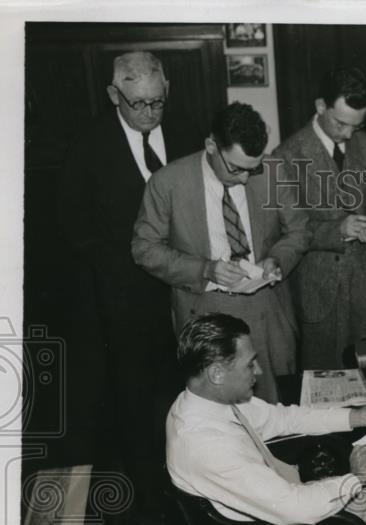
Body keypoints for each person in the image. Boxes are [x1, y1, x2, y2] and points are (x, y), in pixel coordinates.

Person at [58, 51, 199, 504]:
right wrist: (125, 262)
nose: (150, 113)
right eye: (138, 103)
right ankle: (151, 488)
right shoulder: (87, 144)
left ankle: (194, 474)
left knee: (186, 383)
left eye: (158, 102)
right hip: (120, 295)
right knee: (134, 391)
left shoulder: (189, 132)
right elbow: (72, 226)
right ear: (114, 94)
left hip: (183, 286)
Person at [132, 101, 308, 404]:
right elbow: (144, 248)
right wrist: (205, 268)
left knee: (276, 408)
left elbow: (299, 230)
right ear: (211, 145)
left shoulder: (274, 172)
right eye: (236, 168)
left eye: (253, 169)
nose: (244, 179)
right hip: (204, 309)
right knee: (217, 414)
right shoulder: (168, 182)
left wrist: (277, 259)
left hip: (267, 309)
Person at [166, 313, 366, 525]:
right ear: (216, 373)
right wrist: (357, 479)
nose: (260, 370)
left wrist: (357, 416)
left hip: (284, 496)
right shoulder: (206, 446)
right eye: (249, 364)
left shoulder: (204, 401)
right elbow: (297, 509)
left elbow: (283, 418)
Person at [273, 67, 366, 369]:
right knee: (325, 386)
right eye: (341, 124)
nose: (349, 134)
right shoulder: (287, 155)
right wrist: (337, 229)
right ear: (321, 106)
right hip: (319, 293)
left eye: (357, 125)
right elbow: (285, 230)